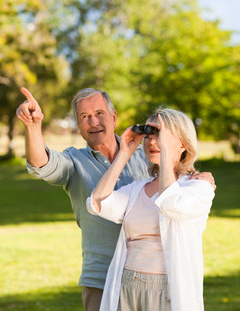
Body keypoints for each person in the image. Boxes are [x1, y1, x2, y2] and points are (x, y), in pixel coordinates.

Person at [16, 88, 215, 311]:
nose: (93, 121)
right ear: (78, 125)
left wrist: (191, 174)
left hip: (163, 279)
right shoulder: (74, 162)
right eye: (84, 116)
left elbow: (175, 192)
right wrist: (33, 126)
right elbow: (41, 164)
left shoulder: (147, 159)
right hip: (101, 277)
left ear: (113, 117)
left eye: (99, 113)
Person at [87, 107, 215, 311]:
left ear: (183, 143)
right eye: (149, 135)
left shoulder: (198, 187)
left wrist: (166, 154)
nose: (153, 141)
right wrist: (124, 153)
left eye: (161, 135)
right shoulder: (137, 189)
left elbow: (170, 202)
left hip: (168, 291)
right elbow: (98, 203)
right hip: (127, 285)